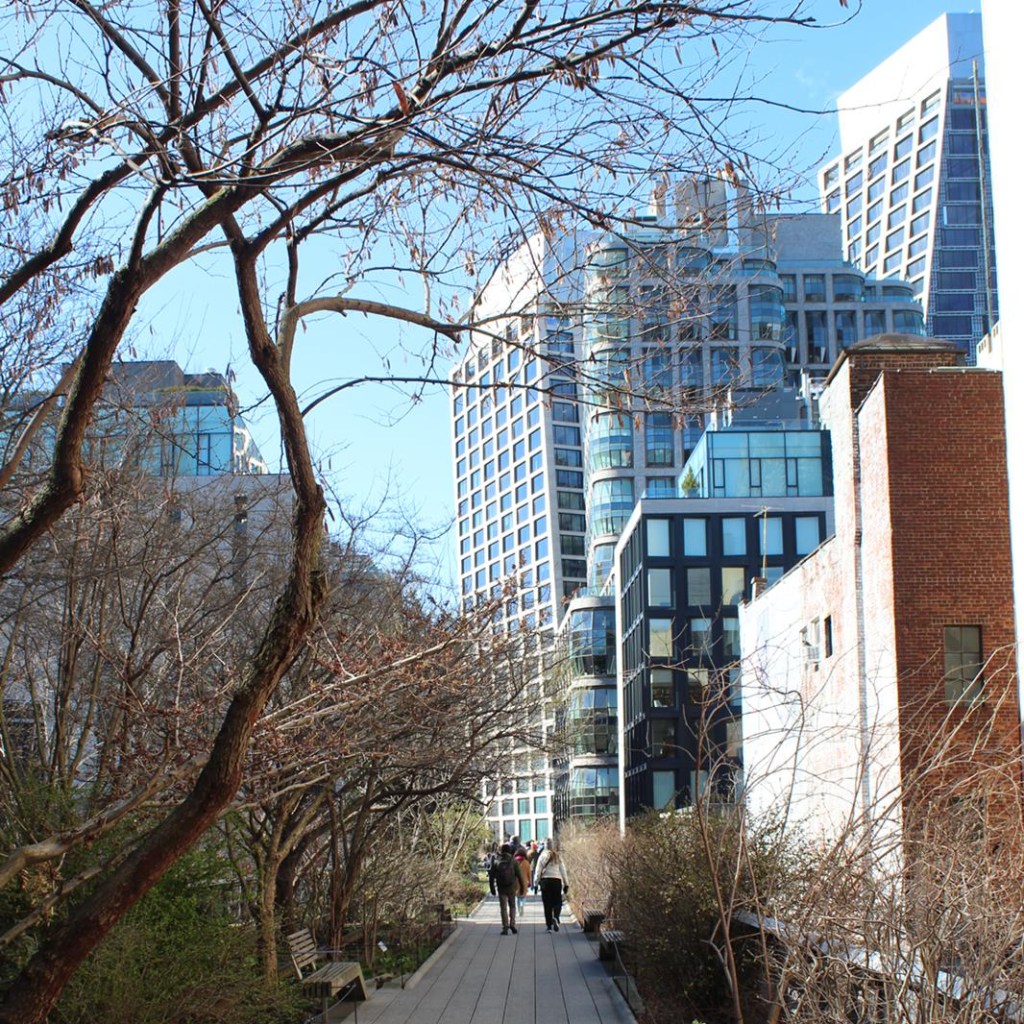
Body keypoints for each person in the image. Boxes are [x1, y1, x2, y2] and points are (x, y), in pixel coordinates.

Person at [535, 837, 569, 932]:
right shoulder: (558, 856)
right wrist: (566, 884)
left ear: (545, 846)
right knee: (557, 901)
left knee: (547, 904)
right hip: (556, 881)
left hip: (545, 882)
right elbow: (563, 871)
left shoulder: (542, 856)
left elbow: (538, 871)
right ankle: (556, 917)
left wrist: (536, 884)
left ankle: (549, 925)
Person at [488, 842, 519, 935]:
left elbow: (491, 876)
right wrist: (522, 887)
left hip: (501, 888)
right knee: (512, 906)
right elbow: (519, 875)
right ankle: (512, 924)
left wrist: (492, 888)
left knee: (503, 908)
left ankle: (505, 926)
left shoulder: (497, 861)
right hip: (512, 887)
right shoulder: (513, 861)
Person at [514, 846, 531, 916]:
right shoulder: (526, 863)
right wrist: (529, 881)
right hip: (524, 881)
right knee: (523, 896)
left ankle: (518, 911)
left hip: (515, 881)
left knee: (517, 897)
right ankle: (522, 905)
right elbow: (529, 873)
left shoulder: (514, 862)